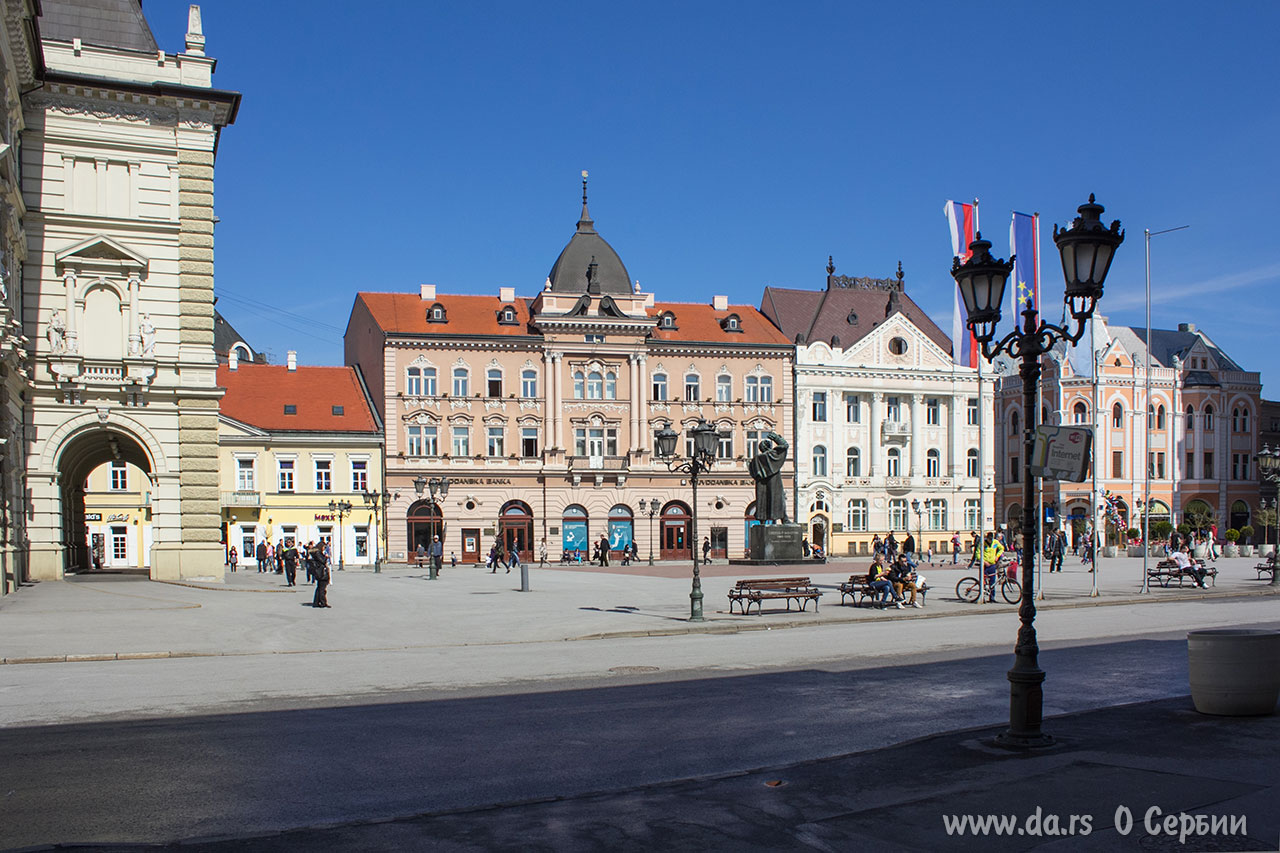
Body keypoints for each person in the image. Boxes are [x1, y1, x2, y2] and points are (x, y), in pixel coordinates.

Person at [981, 532, 1005, 602]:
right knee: (983, 582)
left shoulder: (995, 542)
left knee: (992, 582)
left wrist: (997, 556)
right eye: (989, 539)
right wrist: (983, 561)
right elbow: (977, 553)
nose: (990, 540)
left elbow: (1001, 548)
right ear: (987, 538)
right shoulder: (983, 543)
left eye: (991, 539)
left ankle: (992, 598)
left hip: (992, 564)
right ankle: (982, 596)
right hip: (984, 565)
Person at [310, 543, 331, 608]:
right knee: (322, 588)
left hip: (319, 572)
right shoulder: (318, 553)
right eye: (324, 547)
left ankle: (316, 602)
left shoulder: (315, 553)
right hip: (321, 572)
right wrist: (326, 556)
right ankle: (323, 602)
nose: (324, 548)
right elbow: (322, 561)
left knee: (319, 588)